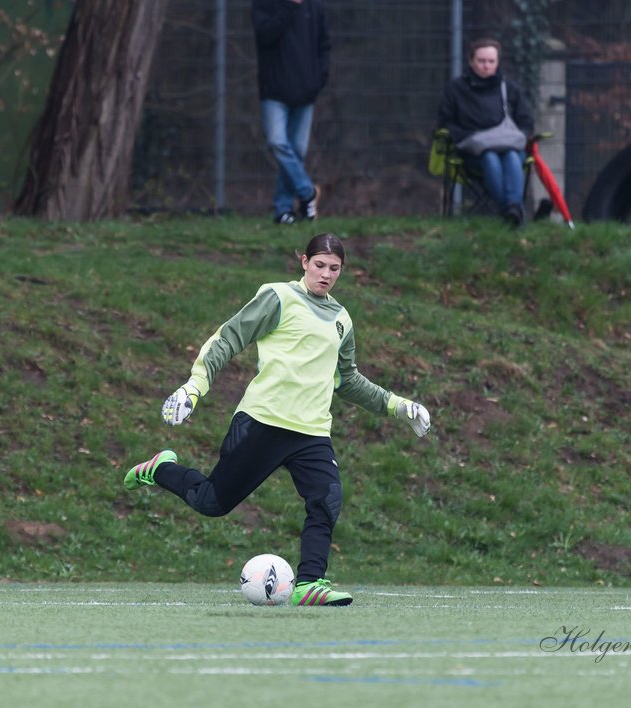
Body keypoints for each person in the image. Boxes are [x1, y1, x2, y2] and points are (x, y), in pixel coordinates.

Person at [122, 233, 432, 606]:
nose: (326, 274)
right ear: (304, 262)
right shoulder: (278, 297)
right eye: (319, 265)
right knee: (211, 502)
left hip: (312, 432)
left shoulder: (341, 320)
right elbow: (227, 339)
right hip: (263, 421)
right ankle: (159, 469)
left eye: (335, 269)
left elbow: (346, 380)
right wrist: (194, 387)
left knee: (327, 498)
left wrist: (399, 405)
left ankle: (309, 583)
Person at [437, 38, 536, 226]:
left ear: (498, 63)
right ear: (470, 61)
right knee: (490, 157)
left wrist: (522, 134)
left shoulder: (510, 89)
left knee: (512, 156)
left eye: (491, 61)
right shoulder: (456, 89)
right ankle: (510, 210)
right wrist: (464, 137)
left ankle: (512, 210)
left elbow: (526, 121)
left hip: (510, 146)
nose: (486, 66)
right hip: (473, 152)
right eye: (481, 61)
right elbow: (445, 121)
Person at [252, 0, 329, 226]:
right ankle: (307, 193)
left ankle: (283, 210)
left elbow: (324, 45)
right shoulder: (264, 5)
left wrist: (318, 79)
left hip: (305, 92)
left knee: (296, 151)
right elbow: (265, 35)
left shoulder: (315, 7)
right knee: (278, 143)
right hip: (274, 91)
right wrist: (288, 7)